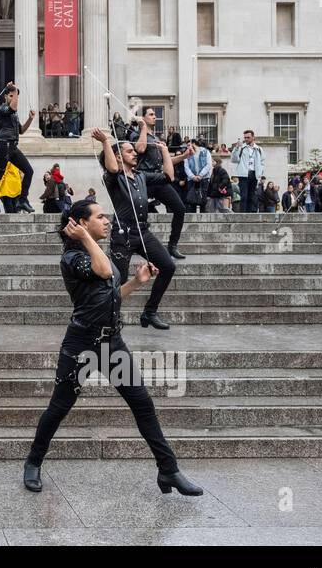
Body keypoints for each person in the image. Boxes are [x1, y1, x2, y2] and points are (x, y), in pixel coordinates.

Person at [23, 198, 203, 497]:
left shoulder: (95, 251)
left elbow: (111, 294)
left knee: (142, 404)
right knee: (59, 407)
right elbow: (104, 272)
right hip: (81, 345)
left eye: (106, 216)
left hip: (111, 344)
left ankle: (168, 470)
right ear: (82, 223)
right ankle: (33, 462)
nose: (107, 221)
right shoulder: (72, 257)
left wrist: (136, 282)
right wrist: (81, 239)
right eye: (100, 216)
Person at [94, 127, 176, 331]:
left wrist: (164, 151)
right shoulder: (113, 178)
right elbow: (112, 169)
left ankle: (149, 312)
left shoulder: (141, 175)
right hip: (123, 236)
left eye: (134, 150)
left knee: (168, 266)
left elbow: (168, 177)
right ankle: (112, 318)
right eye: (130, 151)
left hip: (143, 232)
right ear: (118, 157)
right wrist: (105, 141)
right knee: (117, 281)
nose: (135, 153)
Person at [127, 108, 188, 258]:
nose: (155, 117)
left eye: (155, 114)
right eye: (151, 114)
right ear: (143, 118)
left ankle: (172, 245)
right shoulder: (136, 135)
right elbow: (139, 148)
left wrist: (185, 156)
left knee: (179, 209)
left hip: (158, 178)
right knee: (134, 212)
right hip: (143, 179)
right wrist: (141, 128)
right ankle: (131, 242)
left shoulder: (155, 138)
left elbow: (165, 161)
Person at [0, 82, 35, 212]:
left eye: (14, 96)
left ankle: (22, 200)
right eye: (10, 95)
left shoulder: (13, 115)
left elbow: (21, 130)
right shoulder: (3, 109)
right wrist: (15, 89)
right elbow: (12, 108)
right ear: (5, 96)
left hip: (13, 147)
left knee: (29, 171)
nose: (13, 98)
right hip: (3, 145)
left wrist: (30, 119)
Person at [230, 130, 265, 213]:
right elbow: (234, 160)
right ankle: (243, 214)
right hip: (243, 174)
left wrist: (260, 173)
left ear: (253, 137)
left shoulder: (259, 149)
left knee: (251, 196)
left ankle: (249, 214)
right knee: (244, 195)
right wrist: (236, 148)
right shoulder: (241, 148)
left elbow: (262, 162)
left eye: (248, 137)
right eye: (245, 137)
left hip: (254, 174)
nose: (246, 139)